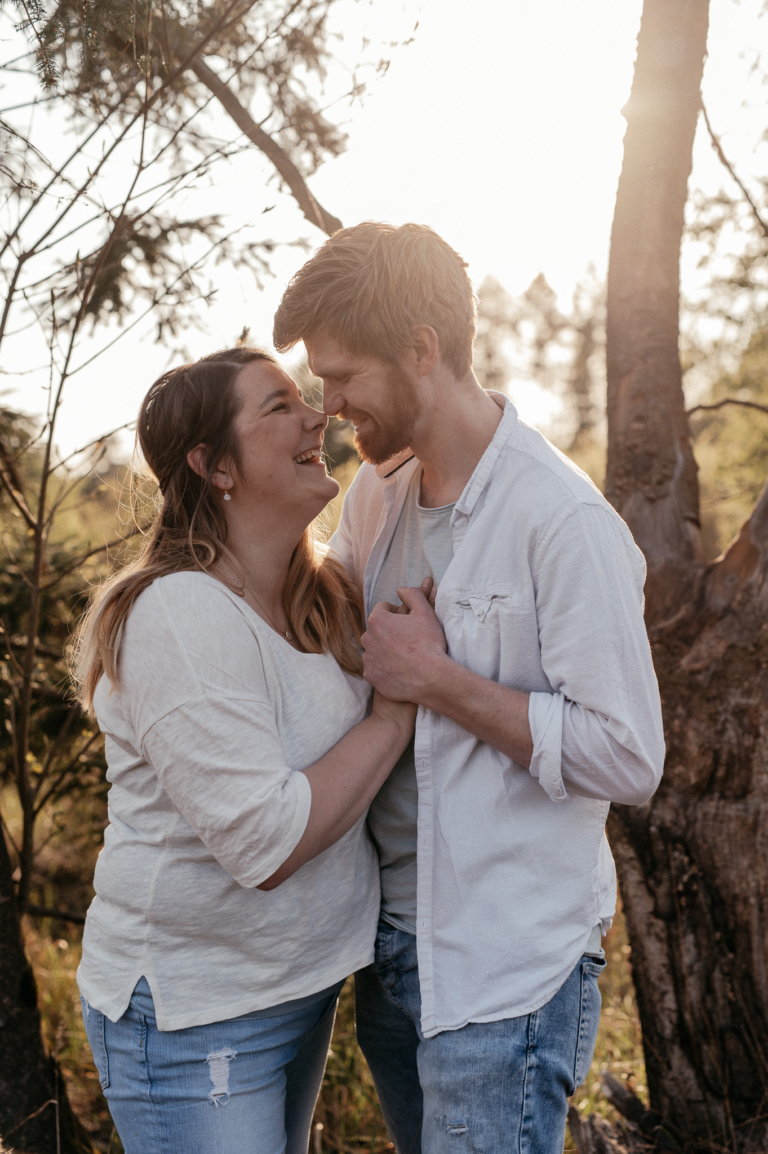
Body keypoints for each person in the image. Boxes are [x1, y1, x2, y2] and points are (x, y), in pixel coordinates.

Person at [272, 222, 666, 1154]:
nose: (329, 406)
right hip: (393, 947)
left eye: (344, 376)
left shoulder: (563, 523)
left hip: (504, 971)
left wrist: (440, 682)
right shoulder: (379, 493)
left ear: (422, 349)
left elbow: (630, 753)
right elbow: (336, 634)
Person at [73, 346, 415, 1154]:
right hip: (197, 1014)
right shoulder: (178, 615)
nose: (316, 415)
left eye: (307, 399)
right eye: (277, 406)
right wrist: (393, 717)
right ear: (213, 464)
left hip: (298, 990)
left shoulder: (320, 594)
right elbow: (265, 841)